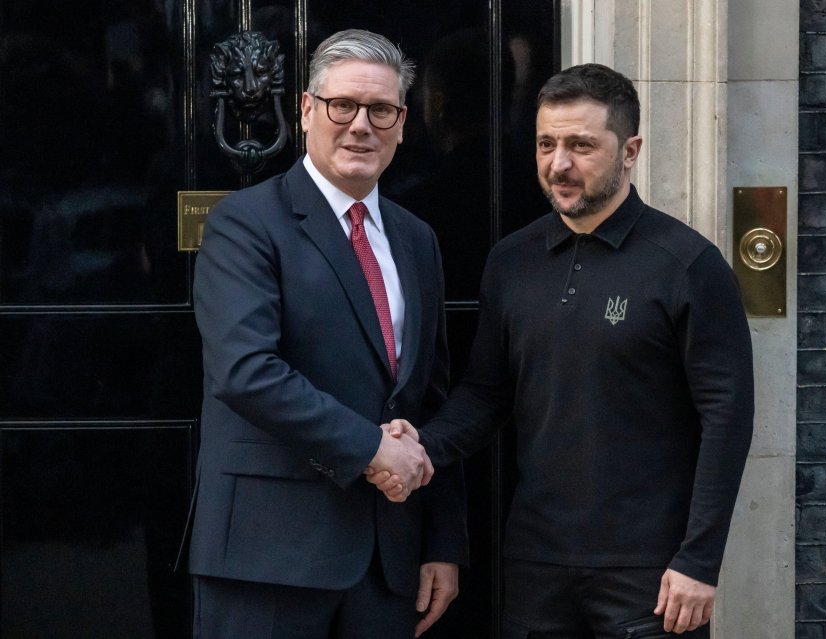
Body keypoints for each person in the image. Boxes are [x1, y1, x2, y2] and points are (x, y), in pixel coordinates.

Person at [369, 63, 754, 637]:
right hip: (536, 562)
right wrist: (420, 445)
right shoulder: (511, 260)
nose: (559, 164)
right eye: (546, 144)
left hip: (649, 572)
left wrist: (698, 561)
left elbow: (727, 419)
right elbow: (486, 394)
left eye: (581, 145)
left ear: (630, 151)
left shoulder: (688, 265)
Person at [185, 28, 467, 638]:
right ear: (308, 109)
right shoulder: (244, 223)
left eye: (381, 110)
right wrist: (372, 448)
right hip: (268, 560)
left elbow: (430, 399)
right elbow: (246, 371)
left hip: (386, 562)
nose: (361, 125)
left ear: (401, 122)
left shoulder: (417, 239)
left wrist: (443, 541)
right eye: (344, 105)